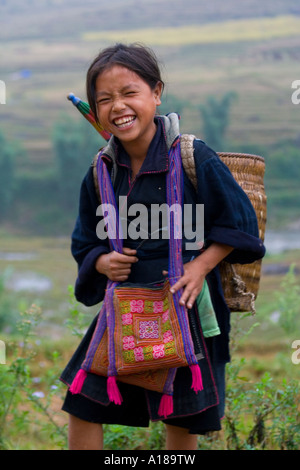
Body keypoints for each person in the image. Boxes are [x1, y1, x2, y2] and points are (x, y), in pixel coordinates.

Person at [60, 43, 265, 450]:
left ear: (156, 92)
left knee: (180, 418)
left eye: (129, 92)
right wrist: (101, 262)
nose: (118, 106)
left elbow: (239, 222)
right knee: (83, 405)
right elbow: (85, 240)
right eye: (104, 99)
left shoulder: (192, 157)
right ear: (96, 110)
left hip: (186, 306)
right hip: (124, 311)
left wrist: (200, 265)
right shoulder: (102, 172)